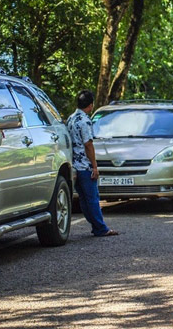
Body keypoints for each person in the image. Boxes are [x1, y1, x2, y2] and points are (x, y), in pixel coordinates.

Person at [67, 90, 119, 237]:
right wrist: (94, 166)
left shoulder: (71, 119)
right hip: (84, 165)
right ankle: (100, 228)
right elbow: (88, 144)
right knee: (93, 198)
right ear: (90, 105)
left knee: (84, 199)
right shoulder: (85, 121)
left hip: (74, 164)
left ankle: (95, 225)